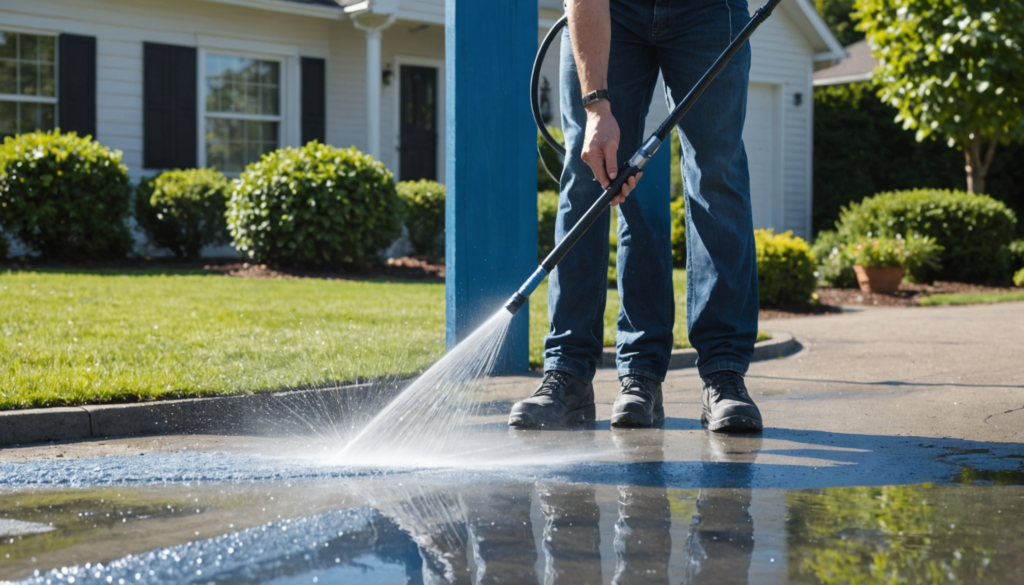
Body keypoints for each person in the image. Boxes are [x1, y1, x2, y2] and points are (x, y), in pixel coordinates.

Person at [509, 0, 763, 432]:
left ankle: (722, 373)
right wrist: (596, 108)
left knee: (717, 177)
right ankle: (568, 372)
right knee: (587, 174)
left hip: (709, 10)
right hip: (609, 10)